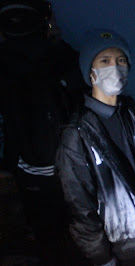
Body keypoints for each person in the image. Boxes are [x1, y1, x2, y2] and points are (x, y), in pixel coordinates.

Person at [55, 29, 135, 265]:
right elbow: (80, 205)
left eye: (121, 60)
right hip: (117, 239)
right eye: (105, 61)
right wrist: (101, 257)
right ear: (90, 73)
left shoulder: (129, 111)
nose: (115, 67)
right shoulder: (77, 132)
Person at [0, 0, 85, 264]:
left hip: (26, 165)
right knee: (73, 226)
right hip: (65, 162)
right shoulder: (62, 56)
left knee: (45, 231)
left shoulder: (4, 59)